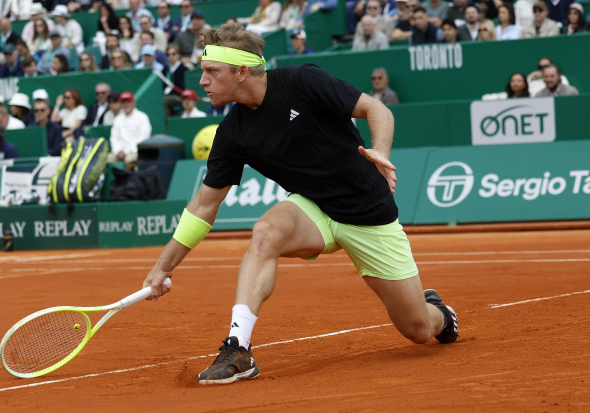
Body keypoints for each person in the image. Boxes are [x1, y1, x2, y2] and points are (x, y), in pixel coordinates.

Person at [141, 23, 458, 385]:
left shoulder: (302, 81)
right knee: (264, 232)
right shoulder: (232, 134)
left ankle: (439, 313)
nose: (203, 81)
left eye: (212, 72)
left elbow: (376, 109)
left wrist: (380, 151)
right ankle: (237, 347)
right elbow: (203, 207)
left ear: (241, 72)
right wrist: (163, 267)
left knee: (417, 329)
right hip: (312, 210)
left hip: (367, 214)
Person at [108, 91, 152, 169]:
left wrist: (126, 151)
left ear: (134, 103)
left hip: (135, 151)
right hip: (119, 151)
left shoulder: (142, 117)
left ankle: (130, 180)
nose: (126, 104)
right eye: (124, 102)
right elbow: (114, 138)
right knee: (106, 159)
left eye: (128, 102)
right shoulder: (118, 119)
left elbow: (143, 138)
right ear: (121, 104)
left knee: (129, 160)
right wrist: (118, 150)